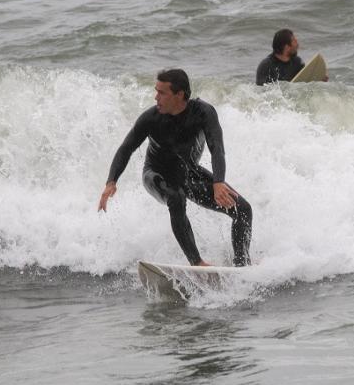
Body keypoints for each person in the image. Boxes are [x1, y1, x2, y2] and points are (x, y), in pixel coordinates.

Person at [98, 68, 253, 266]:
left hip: (189, 173)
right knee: (175, 197)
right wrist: (111, 182)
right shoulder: (151, 118)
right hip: (156, 174)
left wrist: (218, 182)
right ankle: (197, 263)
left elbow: (217, 149)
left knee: (243, 209)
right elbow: (125, 148)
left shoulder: (204, 113)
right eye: (156, 91)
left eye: (162, 93)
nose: (156, 97)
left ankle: (242, 265)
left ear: (179, 95)